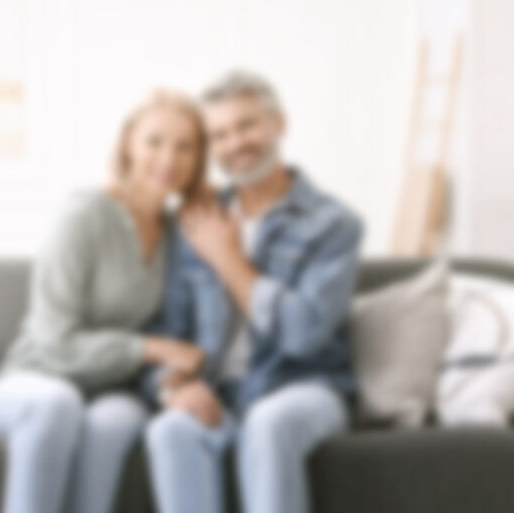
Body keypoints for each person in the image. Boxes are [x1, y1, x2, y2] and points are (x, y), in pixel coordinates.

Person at [0, 88, 208, 513]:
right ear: (128, 145)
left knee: (115, 421)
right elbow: (53, 341)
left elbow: (177, 332)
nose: (169, 159)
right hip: (36, 378)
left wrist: (171, 380)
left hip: (112, 388)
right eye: (155, 141)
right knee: (57, 404)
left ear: (197, 160)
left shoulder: (179, 234)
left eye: (184, 146)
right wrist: (148, 349)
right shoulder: (83, 214)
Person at [141, 70, 364, 513]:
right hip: (221, 392)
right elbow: (168, 331)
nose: (235, 143)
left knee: (267, 423)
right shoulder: (196, 220)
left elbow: (304, 334)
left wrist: (228, 259)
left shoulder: (333, 224)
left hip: (303, 387)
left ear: (278, 123)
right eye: (219, 135)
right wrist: (171, 389)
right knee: (168, 430)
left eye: (247, 125)